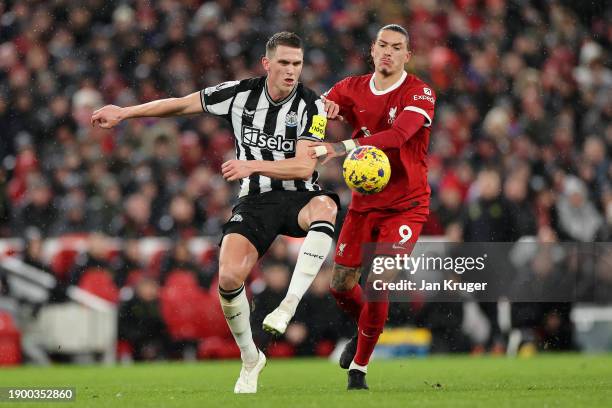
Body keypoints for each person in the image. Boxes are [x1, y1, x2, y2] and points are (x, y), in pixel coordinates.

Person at [92, 32, 340, 394]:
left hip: (297, 196)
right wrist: (126, 112)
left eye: (297, 64)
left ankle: (288, 303)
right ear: (267, 64)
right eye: (284, 63)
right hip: (255, 201)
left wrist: (251, 165)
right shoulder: (239, 94)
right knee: (227, 278)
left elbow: (304, 168)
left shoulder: (312, 106)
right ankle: (250, 358)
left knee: (327, 205)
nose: (291, 71)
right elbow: (179, 104)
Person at [310, 24, 436, 390]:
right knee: (339, 285)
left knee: (378, 282)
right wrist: (324, 114)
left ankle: (359, 370)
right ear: (373, 48)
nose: (388, 52)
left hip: (406, 205)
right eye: (383, 45)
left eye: (397, 48)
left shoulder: (420, 92)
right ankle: (365, 327)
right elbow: (318, 111)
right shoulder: (351, 88)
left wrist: (339, 148)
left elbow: (398, 137)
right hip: (364, 205)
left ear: (406, 56)